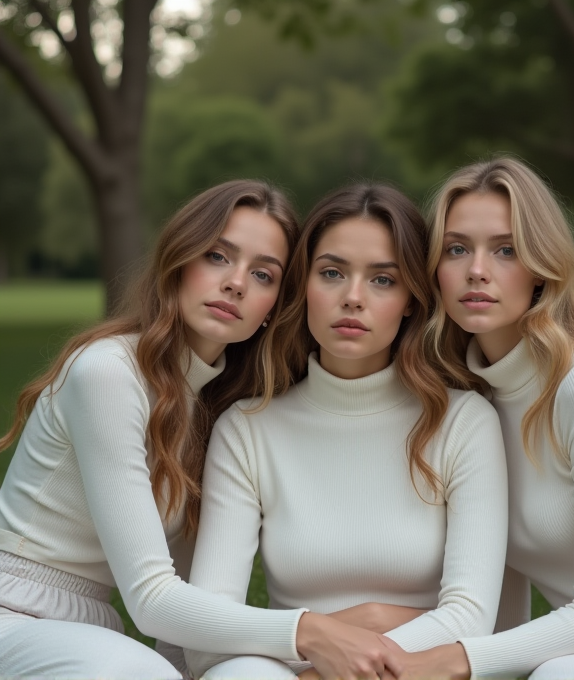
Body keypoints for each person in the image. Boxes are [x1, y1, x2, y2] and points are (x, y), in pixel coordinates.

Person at [0, 180, 406, 680]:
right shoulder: (108, 373)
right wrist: (310, 631)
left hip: (91, 631)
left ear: (273, 309)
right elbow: (151, 599)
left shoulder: (218, 409)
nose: (236, 283)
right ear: (178, 263)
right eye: (217, 256)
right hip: (12, 615)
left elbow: (185, 611)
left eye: (262, 274)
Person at [185, 183, 509, 680]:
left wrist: (324, 664)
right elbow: (206, 635)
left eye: (382, 280)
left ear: (409, 300)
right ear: (303, 286)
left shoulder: (463, 423)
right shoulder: (249, 430)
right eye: (332, 273)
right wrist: (329, 635)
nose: (353, 299)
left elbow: (472, 620)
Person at [410, 157, 574, 679]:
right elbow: (502, 597)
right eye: (456, 248)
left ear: (540, 266)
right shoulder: (468, 402)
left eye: (505, 249)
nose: (477, 270)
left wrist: (451, 661)